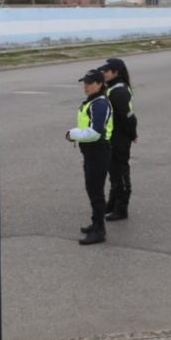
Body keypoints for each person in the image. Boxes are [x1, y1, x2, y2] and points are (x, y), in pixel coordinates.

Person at [66, 68, 113, 245]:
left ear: (100, 84)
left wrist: (72, 134)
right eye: (84, 83)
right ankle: (95, 222)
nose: (86, 86)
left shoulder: (99, 104)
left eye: (90, 83)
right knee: (92, 188)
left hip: (98, 151)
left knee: (96, 190)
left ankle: (99, 230)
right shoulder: (93, 101)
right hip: (92, 151)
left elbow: (95, 133)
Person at [99, 57, 138, 221]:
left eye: (106, 71)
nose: (103, 73)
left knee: (120, 172)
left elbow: (129, 117)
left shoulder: (119, 91)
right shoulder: (111, 87)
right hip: (111, 136)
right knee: (113, 172)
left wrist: (132, 134)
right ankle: (112, 204)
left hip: (119, 138)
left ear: (115, 72)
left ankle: (121, 209)